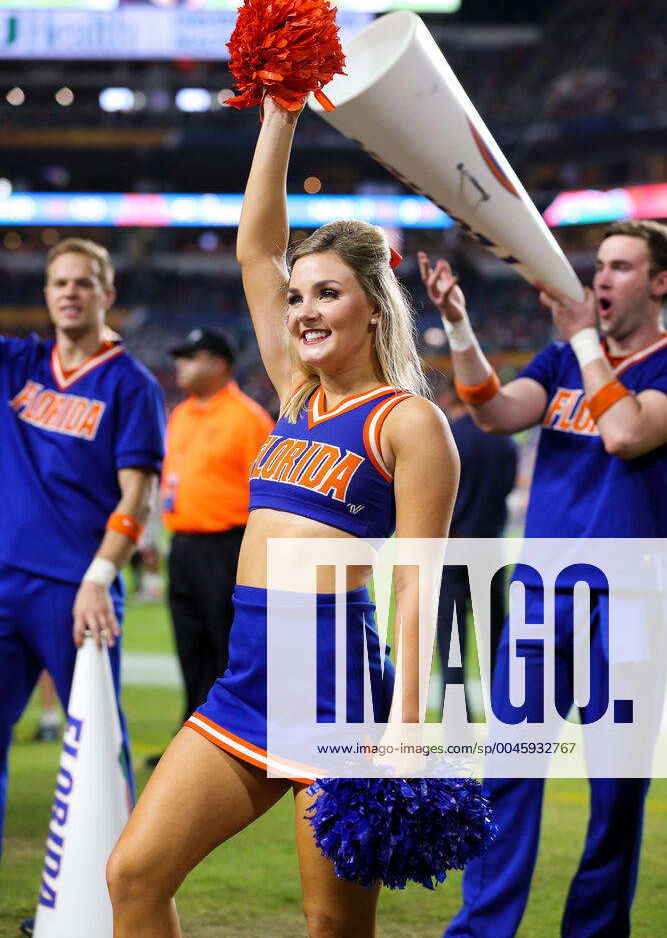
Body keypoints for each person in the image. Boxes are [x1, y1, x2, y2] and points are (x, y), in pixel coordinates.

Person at [106, 97, 459, 938]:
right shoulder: (295, 395)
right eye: (296, 296)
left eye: (326, 294)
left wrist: (404, 727)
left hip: (337, 691)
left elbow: (419, 582)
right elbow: (256, 247)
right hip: (248, 677)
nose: (301, 309)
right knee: (132, 874)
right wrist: (281, 113)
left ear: (371, 305)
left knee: (332, 926)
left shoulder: (406, 423)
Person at [419, 217, 667, 938]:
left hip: (627, 602)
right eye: (600, 267)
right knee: (506, 774)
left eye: (621, 267)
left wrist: (583, 340)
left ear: (659, 282)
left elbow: (624, 434)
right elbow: (494, 413)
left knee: (614, 794)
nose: (601, 279)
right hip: (539, 598)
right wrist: (461, 328)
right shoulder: (562, 360)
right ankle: (480, 929)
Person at [0, 237, 165, 860]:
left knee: (96, 745)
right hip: (4, 582)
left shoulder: (132, 385)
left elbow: (139, 498)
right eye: (59, 283)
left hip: (76, 592)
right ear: (44, 294)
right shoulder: (16, 364)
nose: (70, 292)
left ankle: (116, 892)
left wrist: (98, 576)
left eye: (83, 283)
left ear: (107, 295)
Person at [163, 326, 273, 723]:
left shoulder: (248, 418)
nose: (180, 365)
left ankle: (229, 736)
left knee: (223, 647)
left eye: (190, 357)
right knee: (190, 646)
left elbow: (264, 494)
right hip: (184, 545)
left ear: (219, 364)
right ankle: (190, 733)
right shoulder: (181, 413)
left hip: (226, 547)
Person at [438, 389, 517, 715]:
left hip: (453, 545)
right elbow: (509, 486)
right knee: (495, 635)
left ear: (455, 401)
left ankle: (458, 721)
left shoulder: (450, 436)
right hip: (490, 545)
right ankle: (506, 712)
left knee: (451, 639)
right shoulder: (504, 440)